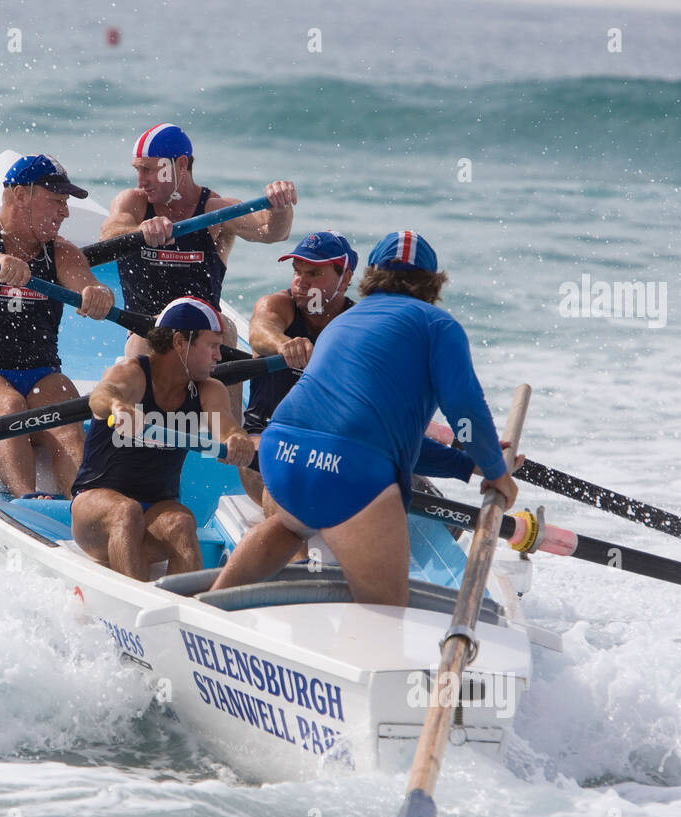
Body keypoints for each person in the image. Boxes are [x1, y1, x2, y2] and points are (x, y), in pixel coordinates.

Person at [210, 231, 520, 606]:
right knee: (386, 610)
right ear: (434, 283)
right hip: (351, 468)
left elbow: (383, 438)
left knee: (290, 526)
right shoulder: (439, 326)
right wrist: (495, 472)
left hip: (283, 455)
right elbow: (465, 407)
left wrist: (467, 464)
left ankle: (208, 604)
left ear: (369, 275)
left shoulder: (343, 323)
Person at [0, 154, 114, 498]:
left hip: (41, 375)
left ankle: (86, 503)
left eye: (65, 203)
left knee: (65, 415)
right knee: (8, 407)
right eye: (56, 201)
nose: (64, 212)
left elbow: (85, 284)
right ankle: (27, 500)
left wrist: (97, 295)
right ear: (20, 196)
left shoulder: (61, 253)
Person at [101, 123, 297, 399]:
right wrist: (140, 232)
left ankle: (228, 434)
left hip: (204, 331)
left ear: (181, 165)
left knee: (226, 328)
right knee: (146, 342)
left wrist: (280, 207)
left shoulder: (215, 210)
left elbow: (272, 232)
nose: (140, 180)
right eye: (138, 170)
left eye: (149, 169)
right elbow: (109, 233)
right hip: (147, 329)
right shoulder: (132, 203)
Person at [70, 297, 255, 581]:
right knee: (125, 511)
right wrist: (119, 407)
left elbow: (226, 427)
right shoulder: (132, 374)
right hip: (93, 509)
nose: (220, 356)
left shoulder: (209, 390)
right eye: (212, 346)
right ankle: (133, 604)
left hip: (156, 509)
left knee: (182, 522)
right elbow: (101, 397)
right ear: (180, 342)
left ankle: (191, 613)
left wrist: (235, 440)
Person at [238, 230, 358, 507]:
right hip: (265, 436)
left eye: (314, 274)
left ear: (345, 279)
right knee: (284, 488)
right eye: (297, 271)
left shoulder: (358, 323)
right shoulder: (278, 305)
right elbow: (259, 331)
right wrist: (283, 345)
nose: (301, 283)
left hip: (325, 445)